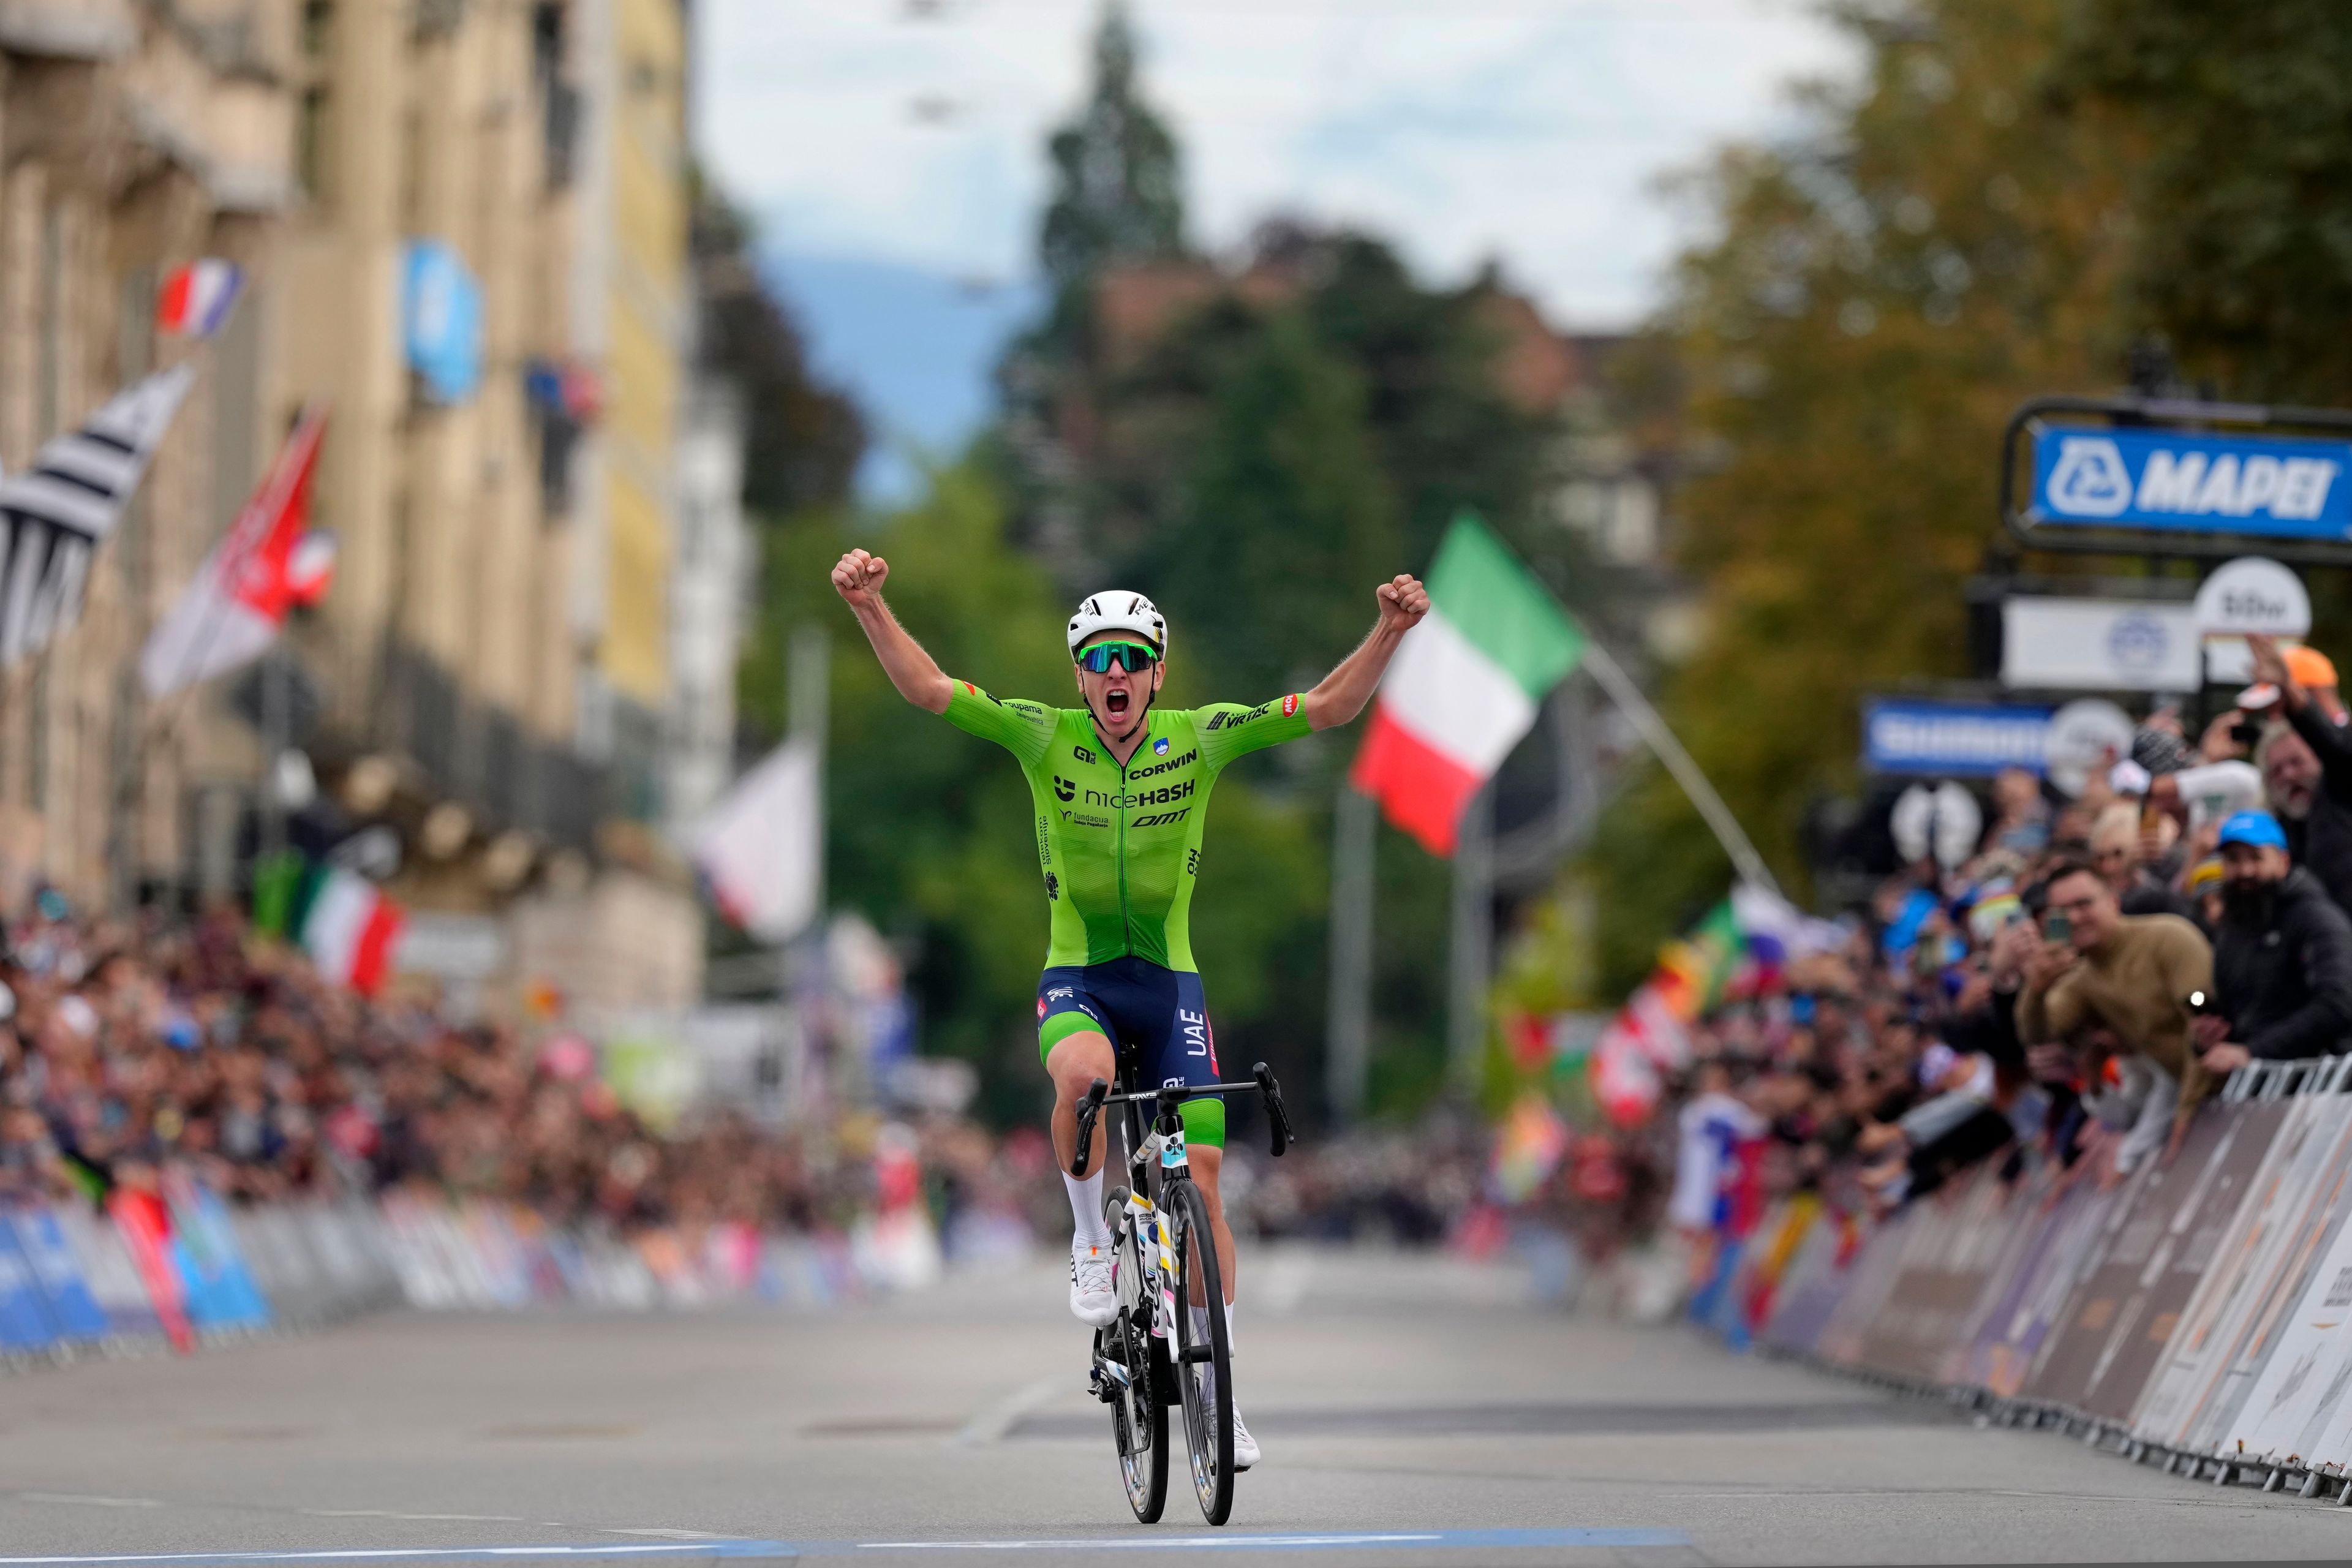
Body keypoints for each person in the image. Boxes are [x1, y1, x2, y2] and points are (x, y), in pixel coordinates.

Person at [829, 549, 1429, 1472]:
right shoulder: (1041, 733)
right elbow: (929, 689)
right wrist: (872, 608)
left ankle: (1219, 1392)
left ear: (1159, 671)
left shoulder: (1202, 734)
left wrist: (1388, 632)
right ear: (1079, 675)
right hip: (1079, 974)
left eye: (1132, 659)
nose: (1116, 675)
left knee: (1212, 1180)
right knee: (1086, 1076)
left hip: (1169, 984)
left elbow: (1329, 707)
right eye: (1099, 660)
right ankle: (1087, 1244)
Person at [2016, 858, 2212, 1181]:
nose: (2076, 917)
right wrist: (2035, 990)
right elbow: (2038, 1032)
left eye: (2084, 904)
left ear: (2112, 900)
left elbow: (2203, 1016)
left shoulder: (2167, 938)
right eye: (2064, 911)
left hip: (2238, 1089)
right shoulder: (2083, 980)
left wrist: (2186, 1114)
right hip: (2186, 1102)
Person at [2195, 810, 2352, 1074]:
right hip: (2261, 1086)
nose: (2245, 871)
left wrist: (2253, 1052)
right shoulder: (2231, 929)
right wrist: (2209, 1037)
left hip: (2323, 1080)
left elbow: (2339, 1001)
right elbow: (2240, 1011)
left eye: (2256, 858)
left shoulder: (2314, 918)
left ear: (2283, 862)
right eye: (2233, 859)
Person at [2250, 635, 2352, 915]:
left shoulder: (2339, 763)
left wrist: (2293, 696)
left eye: (2277, 705)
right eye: (2276, 771)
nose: (2273, 717)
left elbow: (2337, 750)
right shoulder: (2279, 812)